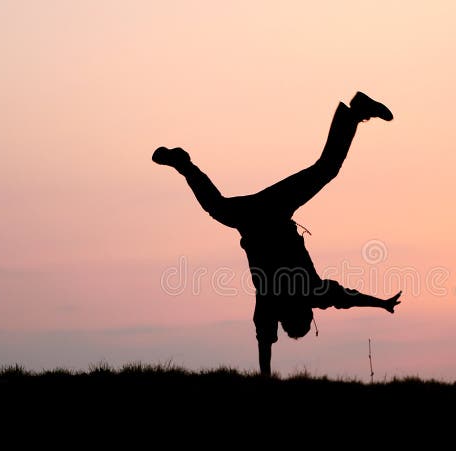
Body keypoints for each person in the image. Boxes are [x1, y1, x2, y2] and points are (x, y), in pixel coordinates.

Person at [153, 91, 401, 375]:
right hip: (257, 218)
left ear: (306, 314)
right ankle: (184, 165)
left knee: (324, 170)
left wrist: (380, 303)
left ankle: (356, 113)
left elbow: (345, 298)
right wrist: (379, 303)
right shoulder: (280, 302)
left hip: (270, 211)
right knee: (216, 206)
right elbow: (267, 341)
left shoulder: (305, 296)